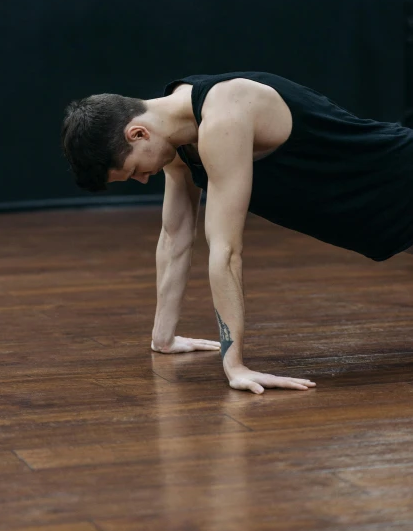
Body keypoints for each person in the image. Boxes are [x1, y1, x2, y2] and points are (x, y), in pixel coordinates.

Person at [61, 71, 413, 394]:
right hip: (375, 218)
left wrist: (235, 366)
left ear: (138, 133)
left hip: (399, 185)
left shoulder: (223, 117)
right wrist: (163, 337)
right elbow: (175, 236)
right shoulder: (177, 136)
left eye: (135, 169)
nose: (142, 178)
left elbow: (226, 250)